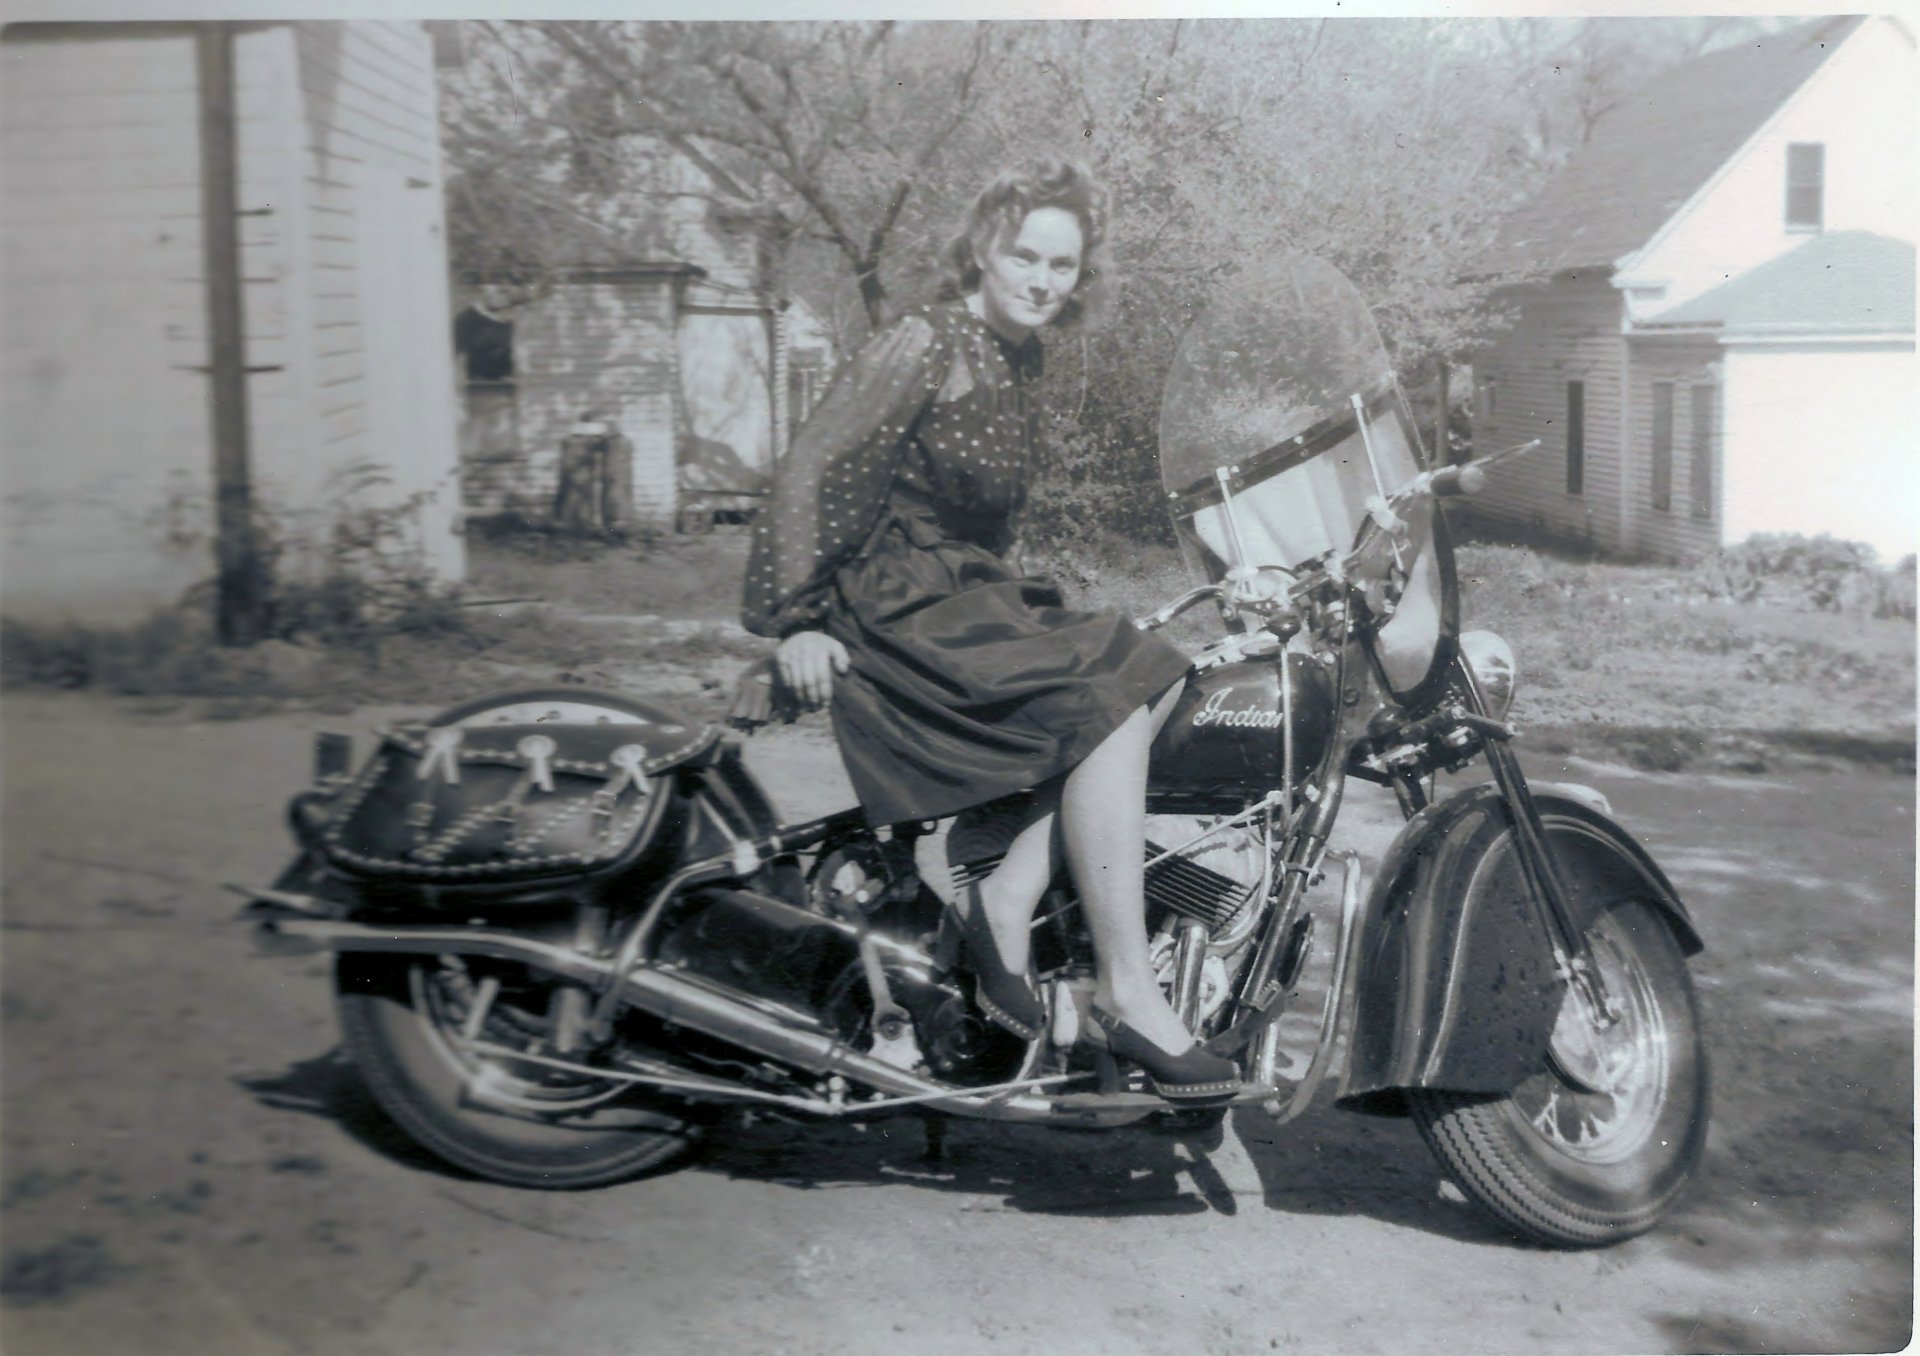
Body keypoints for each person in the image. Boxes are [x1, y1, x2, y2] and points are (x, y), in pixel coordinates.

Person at [738, 158, 1239, 1102]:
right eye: (1026, 256)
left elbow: (980, 523)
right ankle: (1128, 993)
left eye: (1063, 266)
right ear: (981, 251)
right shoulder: (924, 340)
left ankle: (1007, 896)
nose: (1044, 281)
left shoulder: (1017, 358)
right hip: (891, 603)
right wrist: (795, 622)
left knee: (1167, 671)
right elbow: (811, 466)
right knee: (1113, 688)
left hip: (960, 594)